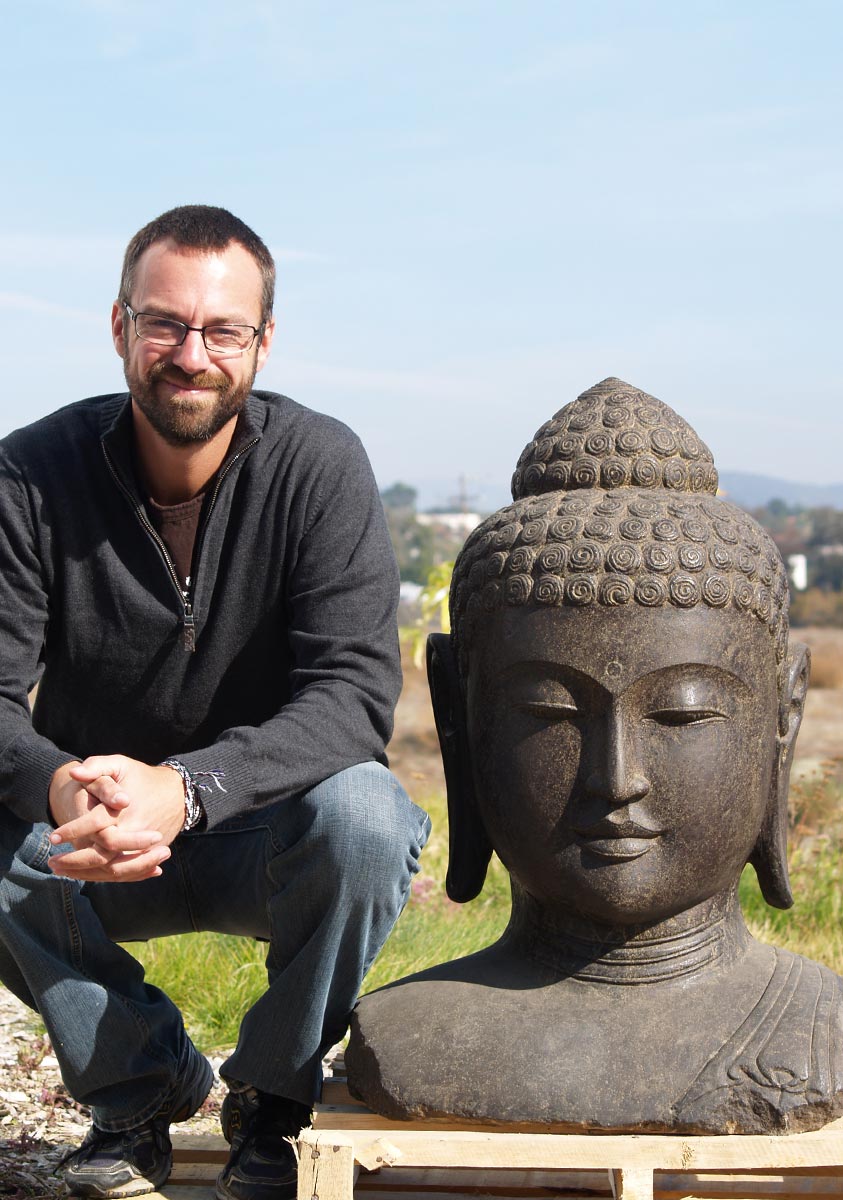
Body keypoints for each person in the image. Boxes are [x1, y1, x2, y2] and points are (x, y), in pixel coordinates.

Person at [0, 205, 430, 1200]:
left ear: (262, 343)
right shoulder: (29, 474)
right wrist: (61, 783)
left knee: (368, 816)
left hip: (271, 838)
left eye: (223, 330)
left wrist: (185, 790)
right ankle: (141, 1090)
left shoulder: (319, 467)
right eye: (164, 324)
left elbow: (355, 695)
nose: (191, 355)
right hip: (92, 845)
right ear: (119, 328)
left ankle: (271, 1104)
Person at [347, 378, 843, 1135]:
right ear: (459, 714)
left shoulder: (820, 1030)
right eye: (549, 713)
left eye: (679, 713)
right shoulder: (410, 1031)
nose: (616, 780)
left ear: (783, 715)